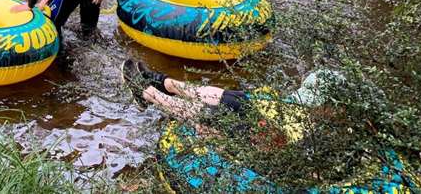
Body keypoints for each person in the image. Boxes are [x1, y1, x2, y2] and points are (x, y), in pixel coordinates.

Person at [120, 58, 342, 141]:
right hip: (264, 114)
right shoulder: (304, 110)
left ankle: (148, 93)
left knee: (211, 115)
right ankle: (162, 81)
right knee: (231, 97)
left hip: (257, 132)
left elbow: (270, 144)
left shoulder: (313, 135)